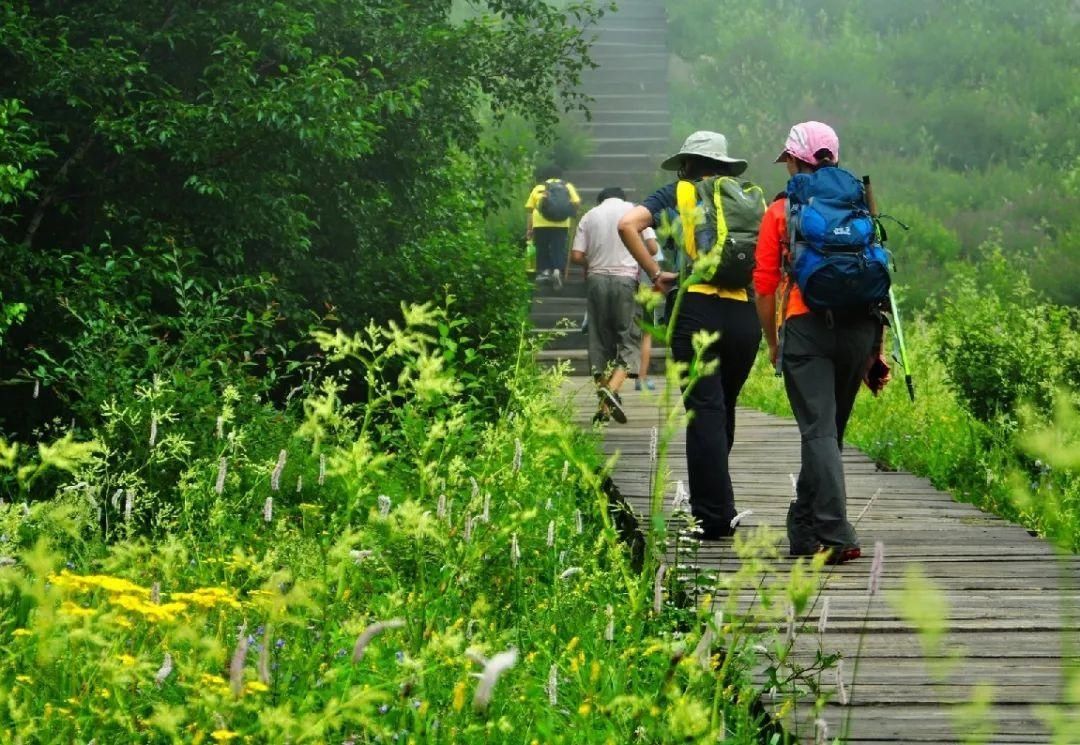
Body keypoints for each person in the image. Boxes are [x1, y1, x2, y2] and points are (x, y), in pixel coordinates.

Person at [753, 121, 887, 564]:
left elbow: (765, 283)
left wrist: (773, 342)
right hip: (859, 331)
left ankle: (835, 532)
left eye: (788, 159)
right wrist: (876, 350)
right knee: (828, 433)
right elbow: (877, 276)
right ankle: (804, 527)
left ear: (795, 160)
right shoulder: (858, 202)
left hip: (807, 329)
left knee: (818, 431)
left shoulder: (781, 210)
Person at [618, 131, 763, 539]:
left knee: (704, 413)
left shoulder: (677, 192)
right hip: (743, 312)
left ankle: (711, 517)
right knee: (723, 409)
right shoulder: (747, 199)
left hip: (696, 308)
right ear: (723, 166)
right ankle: (721, 505)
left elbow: (627, 224)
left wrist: (654, 272)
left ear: (687, 164)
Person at [571, 187, 659, 424]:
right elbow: (653, 249)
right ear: (623, 197)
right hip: (625, 282)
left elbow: (576, 255)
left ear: (601, 200)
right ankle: (612, 388)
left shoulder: (590, 215)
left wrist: (596, 259)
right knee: (628, 338)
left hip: (596, 281)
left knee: (598, 340)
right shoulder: (636, 212)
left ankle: (605, 404)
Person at [525, 166, 581, 291]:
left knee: (542, 247)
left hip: (540, 223)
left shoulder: (539, 188)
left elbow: (530, 209)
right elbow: (576, 202)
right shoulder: (567, 186)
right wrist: (573, 212)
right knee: (558, 247)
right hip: (561, 224)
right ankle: (556, 270)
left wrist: (529, 229)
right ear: (560, 175)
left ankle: (545, 271)